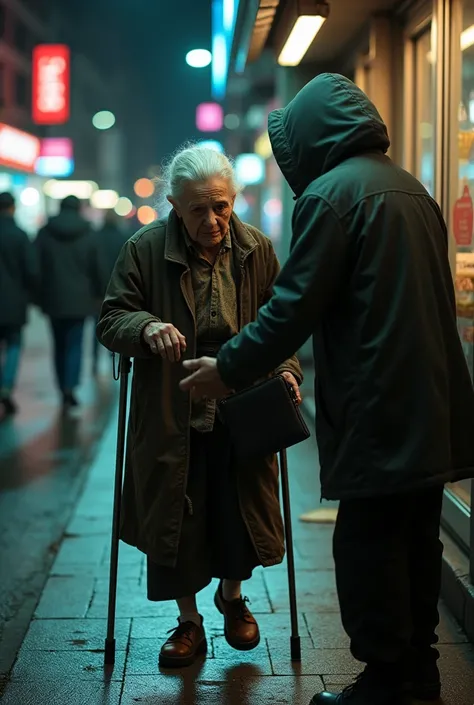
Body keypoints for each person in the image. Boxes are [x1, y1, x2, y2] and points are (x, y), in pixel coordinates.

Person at [180, 74, 474, 705]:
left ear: (313, 138)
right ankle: (418, 675)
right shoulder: (412, 189)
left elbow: (292, 307)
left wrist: (224, 367)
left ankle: (385, 683)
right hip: (433, 399)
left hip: (377, 401)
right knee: (416, 539)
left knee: (368, 543)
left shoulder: (330, 196)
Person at [96, 145, 302, 669]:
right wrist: (144, 327)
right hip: (173, 402)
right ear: (174, 204)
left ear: (233, 200)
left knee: (240, 510)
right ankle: (189, 622)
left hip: (241, 399)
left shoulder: (257, 248)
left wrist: (287, 370)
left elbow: (281, 326)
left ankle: (231, 597)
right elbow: (112, 317)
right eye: (197, 210)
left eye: (221, 207)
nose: (211, 221)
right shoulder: (143, 250)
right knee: (177, 517)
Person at [36, 195, 103, 408]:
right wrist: (100, 293)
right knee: (75, 344)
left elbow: (35, 266)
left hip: (53, 298)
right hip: (80, 300)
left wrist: (38, 295)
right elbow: (98, 268)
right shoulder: (89, 233)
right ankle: (70, 387)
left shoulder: (45, 233)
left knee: (58, 344)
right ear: (78, 209)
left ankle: (61, 387)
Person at [0, 192, 37, 415]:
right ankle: (6, 388)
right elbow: (32, 271)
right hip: (14, 302)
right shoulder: (20, 235)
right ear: (13, 208)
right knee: (13, 345)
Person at [92, 210, 129, 374]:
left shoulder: (95, 237)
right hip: (118, 288)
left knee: (97, 323)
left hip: (98, 290)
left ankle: (94, 358)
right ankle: (113, 353)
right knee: (116, 321)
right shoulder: (124, 237)